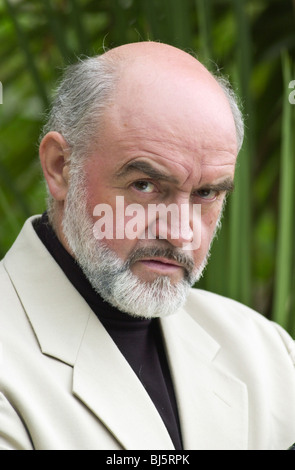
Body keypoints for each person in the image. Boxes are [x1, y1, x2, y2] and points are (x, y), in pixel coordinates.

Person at [0, 41, 295, 451]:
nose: (180, 234)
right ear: (60, 168)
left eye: (207, 193)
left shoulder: (269, 354)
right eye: (146, 185)